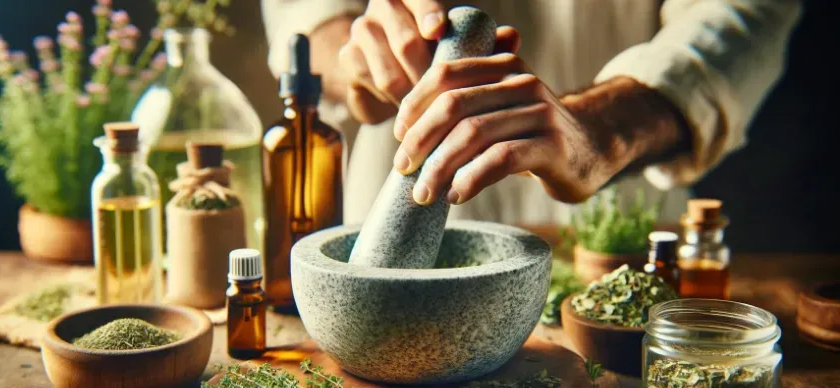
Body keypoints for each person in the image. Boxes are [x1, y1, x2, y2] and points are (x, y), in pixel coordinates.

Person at [261, 0, 801, 226]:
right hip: (391, 193)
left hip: (617, 212)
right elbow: (310, 17)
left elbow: (740, 14)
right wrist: (362, 58)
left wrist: (603, 130)